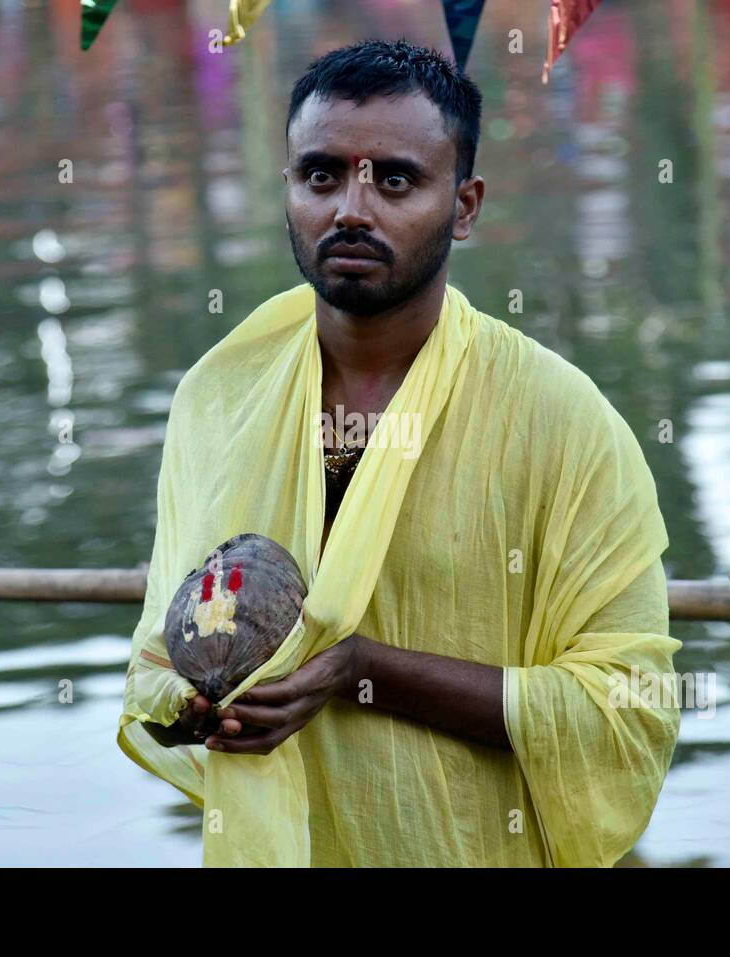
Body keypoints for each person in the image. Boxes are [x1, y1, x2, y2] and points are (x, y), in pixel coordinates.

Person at [118, 38, 681, 867]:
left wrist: (362, 670)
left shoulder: (561, 420)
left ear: (464, 204)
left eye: (396, 179)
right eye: (322, 175)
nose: (352, 206)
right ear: (288, 191)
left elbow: (626, 710)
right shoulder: (220, 397)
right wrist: (197, 702)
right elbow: (157, 659)